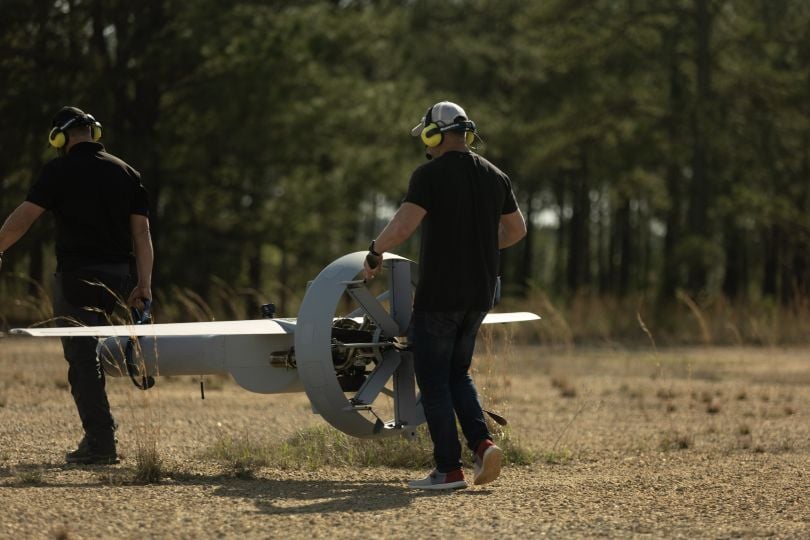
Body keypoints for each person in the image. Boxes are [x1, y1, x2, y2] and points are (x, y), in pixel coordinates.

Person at [363, 101, 527, 490]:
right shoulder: (496, 176)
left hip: (441, 296)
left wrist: (375, 250)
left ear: (434, 133)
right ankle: (482, 444)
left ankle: (448, 470)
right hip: (479, 295)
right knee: (457, 373)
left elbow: (403, 227)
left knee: (434, 380)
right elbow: (517, 230)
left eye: (427, 136)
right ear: (466, 132)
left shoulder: (429, 175)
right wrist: (482, 247)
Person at [0, 106, 153, 464]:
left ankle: (100, 442)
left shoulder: (58, 171)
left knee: (82, 357)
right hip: (119, 277)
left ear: (60, 137)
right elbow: (142, 233)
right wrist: (144, 284)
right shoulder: (127, 172)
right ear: (93, 133)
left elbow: (23, 219)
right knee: (92, 353)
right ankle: (102, 432)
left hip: (76, 278)